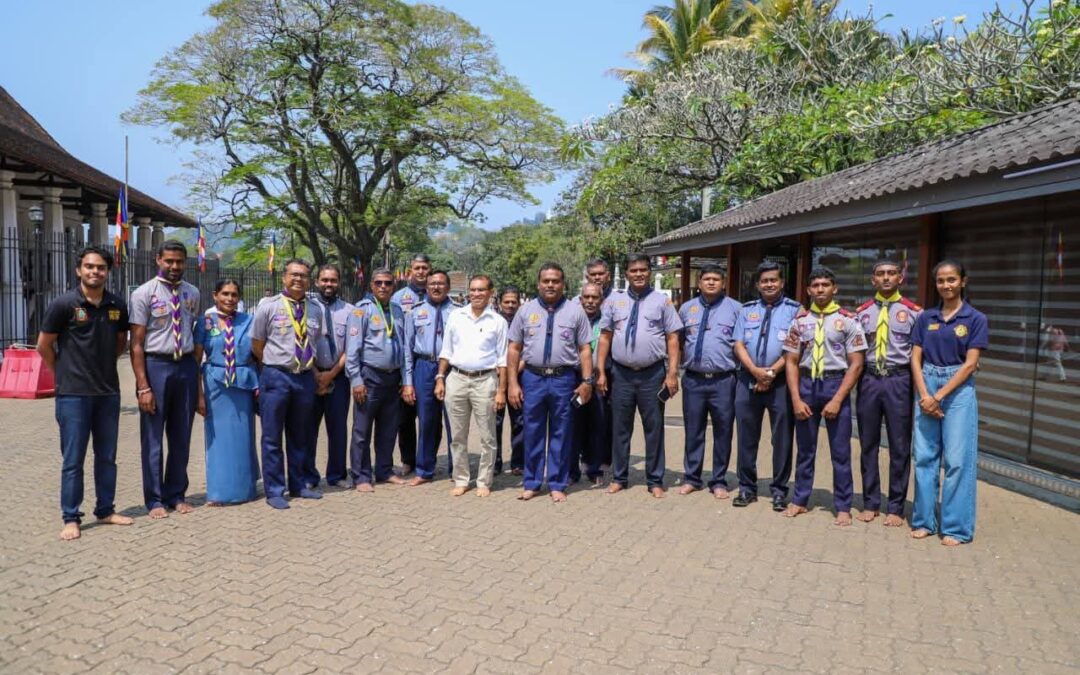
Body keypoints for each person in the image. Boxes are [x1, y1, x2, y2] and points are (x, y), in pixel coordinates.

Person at [37, 245, 133, 540]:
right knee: (73, 460)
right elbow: (44, 345)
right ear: (79, 270)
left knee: (107, 457)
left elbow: (121, 342)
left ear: (107, 272)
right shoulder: (64, 304)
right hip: (73, 395)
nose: (95, 272)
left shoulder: (117, 305)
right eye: (89, 266)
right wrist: (62, 374)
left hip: (107, 393)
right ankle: (71, 517)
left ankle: (105, 510)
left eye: (101, 267)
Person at [910, 260, 988, 546]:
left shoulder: (975, 319)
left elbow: (970, 364)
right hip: (926, 385)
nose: (946, 285)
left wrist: (938, 397)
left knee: (956, 460)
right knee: (924, 457)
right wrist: (924, 395)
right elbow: (915, 358)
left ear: (963, 282)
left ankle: (955, 528)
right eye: (941, 280)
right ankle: (924, 521)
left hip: (957, 391)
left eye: (952, 279)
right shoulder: (926, 317)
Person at [782, 267, 866, 526]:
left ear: (834, 288)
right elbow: (791, 362)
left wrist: (838, 399)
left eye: (825, 285)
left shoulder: (848, 321)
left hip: (834, 385)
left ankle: (843, 505)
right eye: (815, 285)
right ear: (809, 290)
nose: (820, 289)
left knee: (840, 452)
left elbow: (856, 364)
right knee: (805, 449)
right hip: (807, 385)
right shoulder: (799, 322)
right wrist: (796, 399)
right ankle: (800, 499)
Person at [596, 253, 683, 498]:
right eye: (633, 270)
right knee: (620, 428)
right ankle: (619, 478)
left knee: (653, 428)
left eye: (643, 270)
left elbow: (673, 338)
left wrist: (672, 373)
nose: (639, 274)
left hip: (652, 374)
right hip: (621, 374)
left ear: (649, 272)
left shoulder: (662, 302)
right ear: (626, 274)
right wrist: (600, 371)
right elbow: (605, 337)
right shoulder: (614, 302)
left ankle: (655, 480)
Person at [507, 263, 594, 502]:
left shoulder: (575, 312)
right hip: (533, 378)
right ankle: (532, 483)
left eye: (555, 281)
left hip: (563, 379)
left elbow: (585, 349)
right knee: (532, 431)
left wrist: (587, 381)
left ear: (563, 284)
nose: (550, 285)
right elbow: (514, 348)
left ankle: (557, 483)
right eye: (546, 281)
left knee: (561, 432)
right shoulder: (525, 311)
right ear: (538, 284)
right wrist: (512, 383)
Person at [129, 240, 200, 519]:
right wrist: (143, 386)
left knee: (181, 435)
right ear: (158, 259)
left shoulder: (192, 292)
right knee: (153, 437)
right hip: (156, 365)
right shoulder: (144, 293)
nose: (174, 266)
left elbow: (192, 331)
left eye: (179, 261)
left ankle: (177, 494)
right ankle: (155, 499)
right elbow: (136, 344)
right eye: (169, 260)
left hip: (185, 366)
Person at [251, 258, 326, 509]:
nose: (298, 279)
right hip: (276, 376)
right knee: (272, 436)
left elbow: (314, 341)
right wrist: (273, 366)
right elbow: (257, 344)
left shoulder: (315, 309)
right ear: (284, 277)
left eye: (303, 275)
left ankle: (298, 484)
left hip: (303, 378)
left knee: (300, 435)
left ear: (309, 280)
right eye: (294, 275)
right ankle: (274, 489)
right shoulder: (268, 306)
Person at [855, 260, 922, 526]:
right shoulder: (861, 313)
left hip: (898, 380)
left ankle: (895, 506)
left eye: (891, 273)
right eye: (880, 274)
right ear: (873, 280)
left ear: (900, 279)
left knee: (899, 445)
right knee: (868, 443)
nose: (886, 278)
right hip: (870, 379)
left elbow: (920, 354)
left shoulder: (914, 313)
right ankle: (870, 502)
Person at [732, 261, 801, 511]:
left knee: (781, 438)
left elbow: (796, 348)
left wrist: (771, 373)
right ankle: (746, 488)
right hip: (747, 378)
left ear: (782, 283)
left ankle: (779, 491)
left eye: (773, 280)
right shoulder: (746, 310)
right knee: (746, 437)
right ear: (758, 285)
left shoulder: (795, 311)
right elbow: (738, 344)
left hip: (780, 382)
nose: (769, 284)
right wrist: (755, 371)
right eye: (764, 281)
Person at [435, 274, 508, 497]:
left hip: (485, 381)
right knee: (457, 435)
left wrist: (501, 391)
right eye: (473, 290)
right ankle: (461, 479)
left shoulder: (498, 321)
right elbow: (446, 350)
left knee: (488, 436)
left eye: (481, 290)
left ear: (490, 293)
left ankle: (484, 481)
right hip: (456, 379)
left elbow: (503, 360)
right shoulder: (456, 316)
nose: (476, 294)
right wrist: (440, 377)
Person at [677, 264, 742, 498]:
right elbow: (678, 341)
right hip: (693, 380)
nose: (711, 282)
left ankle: (719, 480)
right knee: (693, 430)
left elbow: (742, 344)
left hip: (723, 381)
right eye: (707, 279)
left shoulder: (736, 309)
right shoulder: (686, 308)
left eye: (716, 279)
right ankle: (692, 478)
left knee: (723, 431)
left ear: (723, 283)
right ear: (699, 282)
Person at [194, 279, 259, 504]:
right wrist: (198, 395)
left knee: (243, 437)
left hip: (242, 385)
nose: (229, 299)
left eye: (234, 294)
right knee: (218, 439)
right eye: (225, 294)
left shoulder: (248, 321)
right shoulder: (205, 322)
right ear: (215, 295)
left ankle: (245, 489)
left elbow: (258, 353)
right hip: (215, 385)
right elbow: (196, 360)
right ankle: (219, 491)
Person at [347, 268, 412, 491]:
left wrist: (406, 380)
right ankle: (361, 476)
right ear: (371, 285)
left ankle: (384, 470)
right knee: (362, 430)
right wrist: (356, 380)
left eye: (388, 283)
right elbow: (352, 349)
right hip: (370, 376)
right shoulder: (361, 310)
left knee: (388, 429)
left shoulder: (397, 310)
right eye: (379, 283)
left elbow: (404, 348)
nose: (383, 286)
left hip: (393, 379)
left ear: (394, 286)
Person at [404, 270, 460, 485]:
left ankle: (457, 469)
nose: (436, 287)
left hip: (452, 369)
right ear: (426, 287)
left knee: (454, 420)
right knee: (427, 420)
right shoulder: (414, 311)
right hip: (424, 367)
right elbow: (407, 349)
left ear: (448, 287)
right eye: (432, 284)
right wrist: (408, 382)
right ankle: (424, 469)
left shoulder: (458, 312)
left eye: (441, 284)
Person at [306, 265, 353, 488]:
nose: (328, 284)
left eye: (333, 280)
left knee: (338, 429)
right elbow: (300, 342)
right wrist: (316, 374)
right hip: (310, 375)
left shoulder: (350, 310)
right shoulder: (304, 307)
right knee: (308, 429)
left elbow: (352, 347)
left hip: (339, 376)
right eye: (324, 280)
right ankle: (308, 476)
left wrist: (331, 374)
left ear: (339, 283)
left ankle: (337, 475)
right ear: (316, 281)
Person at [391, 253, 431, 476]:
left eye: (425, 268)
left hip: (427, 362)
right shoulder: (399, 297)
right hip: (404, 362)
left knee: (430, 416)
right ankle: (408, 460)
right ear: (410, 271)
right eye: (417, 268)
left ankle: (428, 458)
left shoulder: (436, 294)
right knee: (405, 417)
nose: (421, 272)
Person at [570, 282, 612, 485]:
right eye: (586, 297)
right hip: (575, 378)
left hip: (599, 379)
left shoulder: (607, 320)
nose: (590, 301)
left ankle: (593, 468)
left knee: (597, 423)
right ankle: (571, 471)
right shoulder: (572, 318)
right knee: (573, 424)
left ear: (601, 300)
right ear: (580, 299)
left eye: (595, 297)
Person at [494, 286, 525, 476]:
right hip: (495, 377)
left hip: (519, 377)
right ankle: (495, 462)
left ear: (519, 303)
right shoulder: (493, 322)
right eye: (507, 301)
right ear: (500, 303)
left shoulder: (524, 321)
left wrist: (513, 370)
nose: (510, 305)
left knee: (520, 421)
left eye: (514, 301)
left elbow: (529, 349)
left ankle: (518, 462)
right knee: (494, 421)